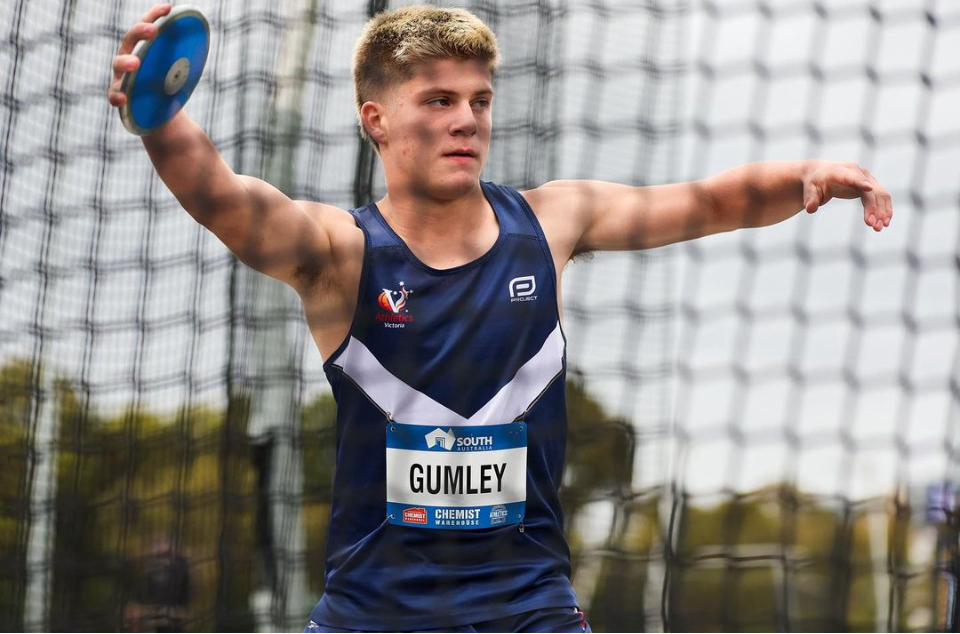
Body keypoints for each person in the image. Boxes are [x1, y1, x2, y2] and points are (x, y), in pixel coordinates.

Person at [108, 4, 893, 632]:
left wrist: (806, 174)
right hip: (373, 614)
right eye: (439, 101)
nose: (467, 120)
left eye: (479, 101)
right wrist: (158, 110)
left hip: (529, 610)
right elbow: (227, 201)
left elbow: (704, 202)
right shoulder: (341, 252)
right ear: (377, 119)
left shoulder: (552, 222)